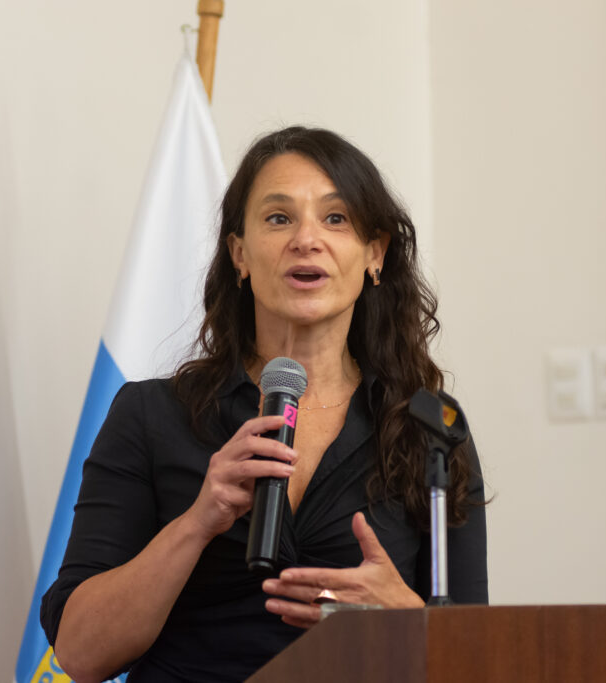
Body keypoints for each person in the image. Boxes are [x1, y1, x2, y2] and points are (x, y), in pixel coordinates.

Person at [40, 126, 488, 683]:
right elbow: (81, 654)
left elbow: (478, 663)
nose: (307, 239)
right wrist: (198, 521)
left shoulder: (429, 428)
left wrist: (408, 621)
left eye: (335, 218)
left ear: (374, 254)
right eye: (279, 218)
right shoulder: (151, 415)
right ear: (239, 254)